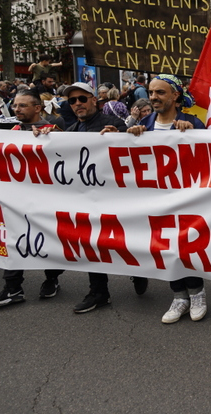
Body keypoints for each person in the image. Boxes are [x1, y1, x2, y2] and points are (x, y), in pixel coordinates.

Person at [40, 82, 148, 313]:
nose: (77, 104)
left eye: (82, 99)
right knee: (92, 244)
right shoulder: (69, 132)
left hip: (116, 199)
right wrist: (46, 138)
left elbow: (132, 152)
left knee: (125, 241)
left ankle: (139, 271)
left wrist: (120, 135)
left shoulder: (114, 124)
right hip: (87, 201)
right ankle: (99, 292)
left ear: (93, 100)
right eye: (72, 101)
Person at [128, 75, 207, 324]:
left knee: (186, 246)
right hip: (156, 200)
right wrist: (126, 136)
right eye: (151, 92)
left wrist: (194, 134)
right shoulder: (143, 125)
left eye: (160, 92)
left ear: (175, 96)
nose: (153, 97)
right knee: (165, 247)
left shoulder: (193, 122)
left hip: (186, 199)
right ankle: (179, 296)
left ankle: (197, 293)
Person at [0, 90, 63, 306]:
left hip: (46, 201)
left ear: (37, 108)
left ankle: (52, 279)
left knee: (48, 240)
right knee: (12, 239)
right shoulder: (14, 130)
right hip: (17, 200)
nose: (16, 109)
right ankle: (12, 287)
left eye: (22, 106)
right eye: (15, 105)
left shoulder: (53, 130)